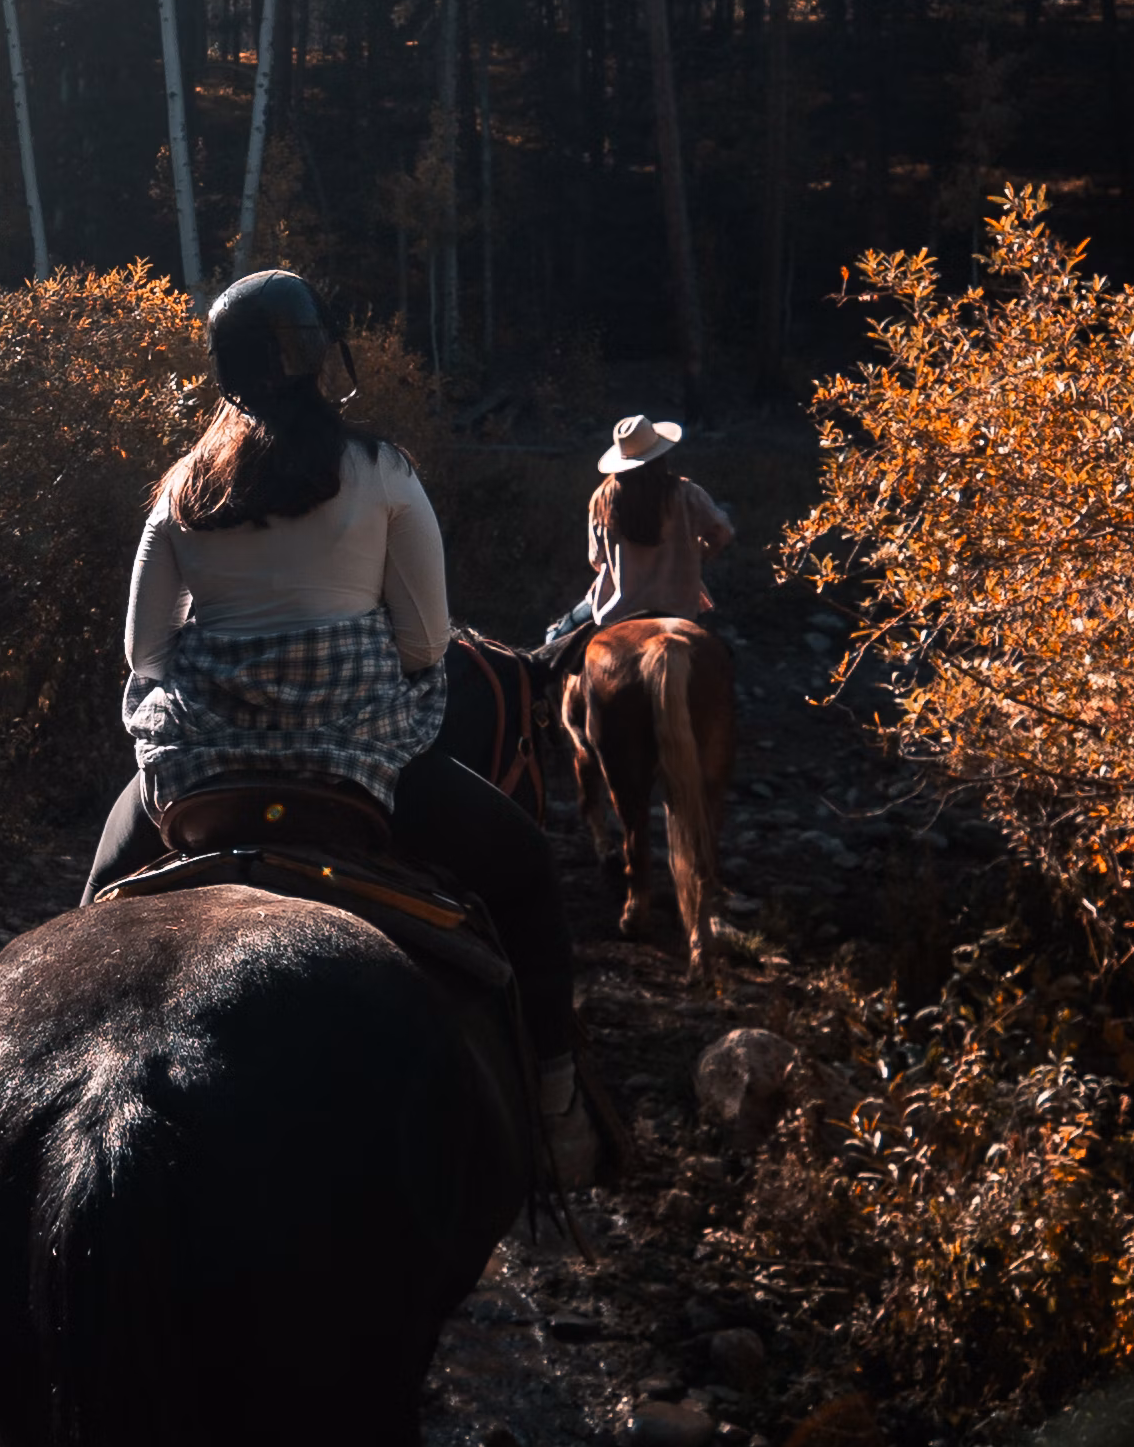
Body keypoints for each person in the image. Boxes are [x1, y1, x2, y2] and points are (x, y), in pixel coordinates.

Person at [82, 268, 591, 1181]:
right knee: (523, 871)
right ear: (319, 353)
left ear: (226, 366)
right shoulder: (382, 469)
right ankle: (558, 1112)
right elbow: (430, 639)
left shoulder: (180, 490)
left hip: (201, 775)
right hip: (357, 767)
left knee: (89, 918)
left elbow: (142, 653)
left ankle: (81, 1058)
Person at [539, 414, 733, 654]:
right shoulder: (687, 493)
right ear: (661, 454)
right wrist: (698, 554)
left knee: (552, 639)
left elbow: (596, 560)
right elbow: (721, 532)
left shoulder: (603, 499)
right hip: (680, 607)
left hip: (618, 611)